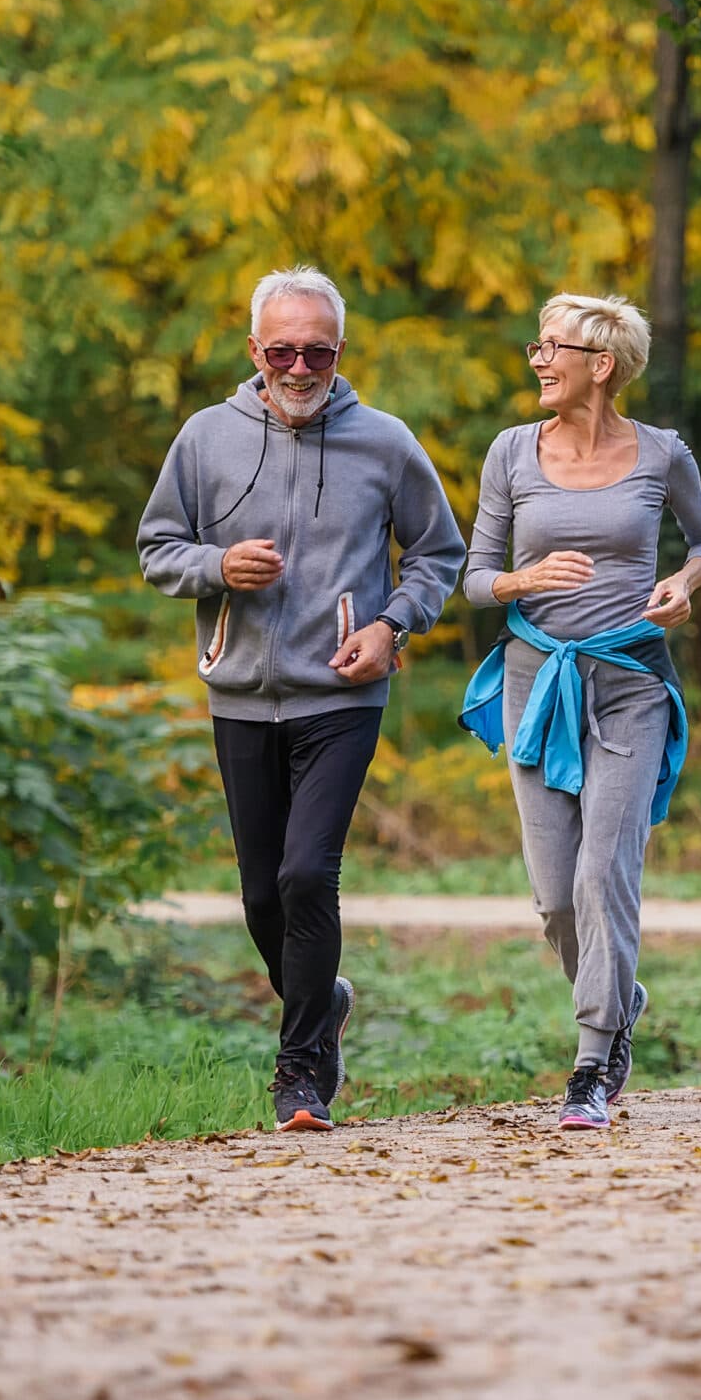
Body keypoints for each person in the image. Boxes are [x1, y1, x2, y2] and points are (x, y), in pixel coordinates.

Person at [138, 266, 467, 1132]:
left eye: (316, 350)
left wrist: (394, 625)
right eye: (281, 349)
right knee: (260, 897)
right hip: (240, 691)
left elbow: (441, 554)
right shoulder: (206, 438)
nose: (298, 366)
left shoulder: (386, 442)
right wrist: (216, 567)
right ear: (255, 350)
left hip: (341, 694)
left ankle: (299, 1074)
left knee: (305, 873)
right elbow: (157, 545)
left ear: (339, 352)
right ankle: (327, 999)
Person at [458, 293, 701, 1131]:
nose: (537, 360)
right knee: (555, 900)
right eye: (536, 347)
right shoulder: (510, 453)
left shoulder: (661, 454)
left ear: (599, 365)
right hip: (537, 686)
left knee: (604, 871)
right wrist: (521, 580)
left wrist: (683, 585)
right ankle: (620, 994)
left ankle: (591, 1059)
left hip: (631, 683)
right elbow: (472, 577)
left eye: (552, 348)